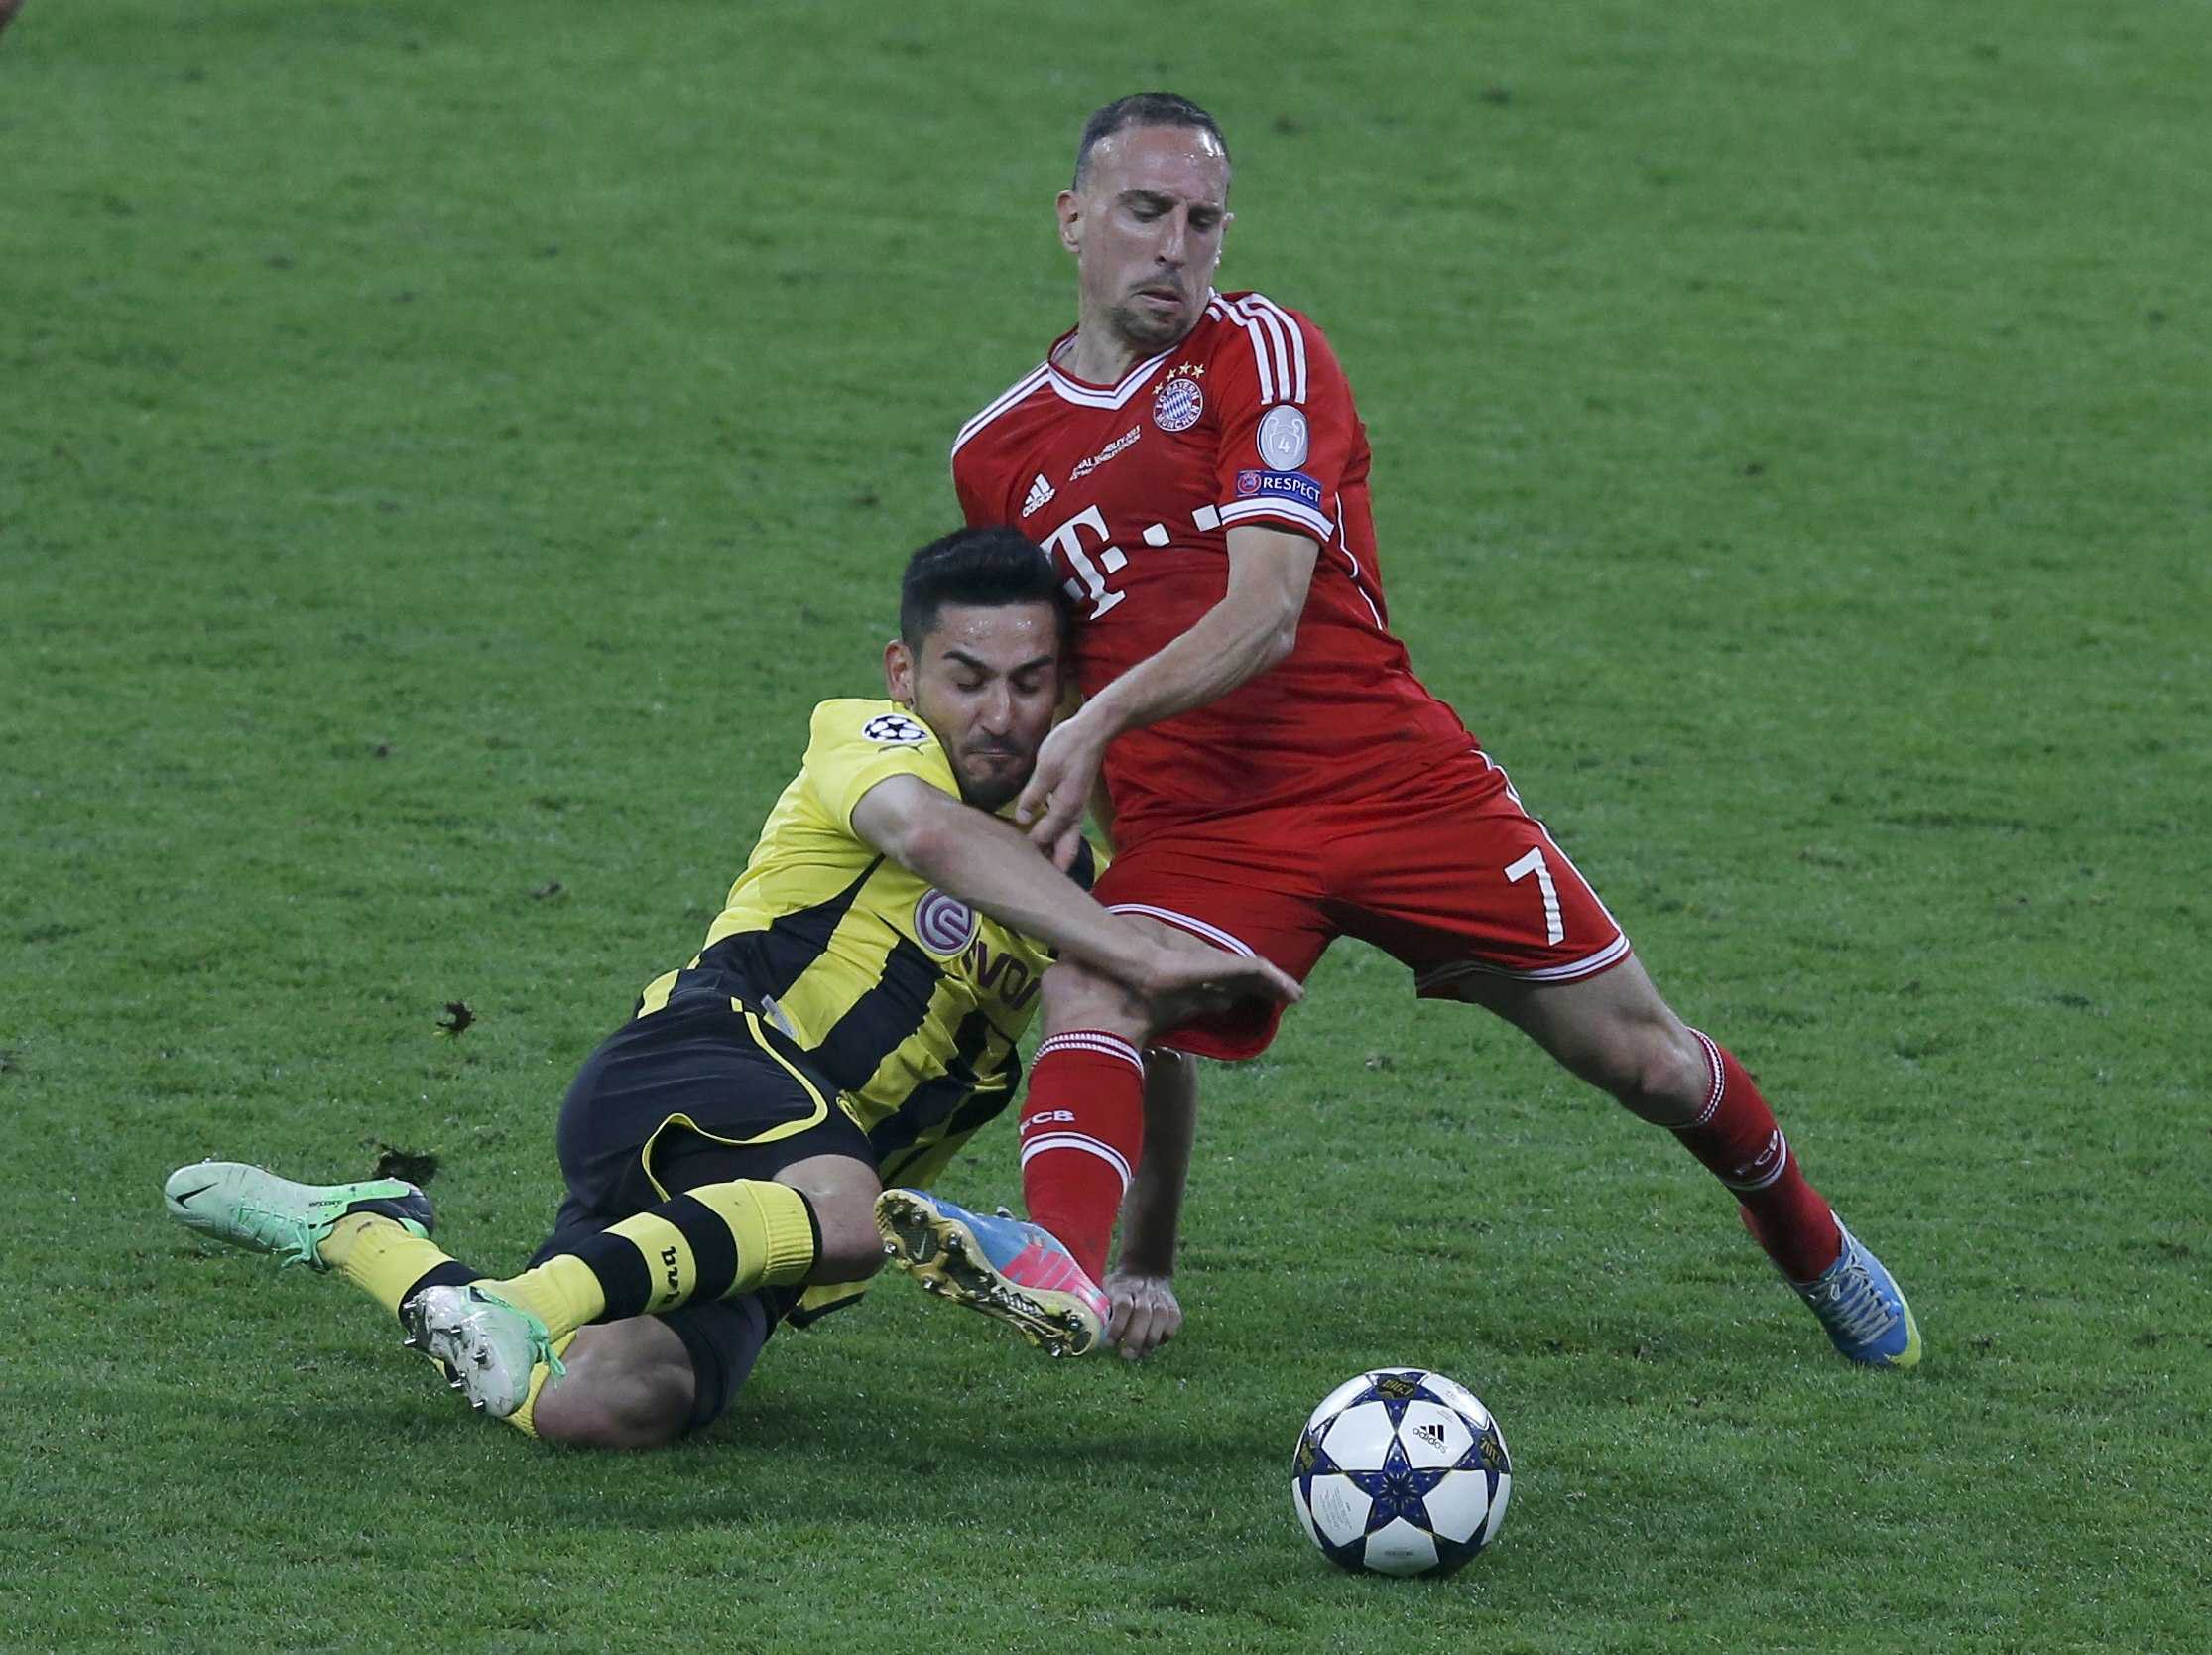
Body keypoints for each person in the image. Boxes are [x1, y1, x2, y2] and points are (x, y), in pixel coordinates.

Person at [877, 94, 1920, 1369]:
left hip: (1391, 782)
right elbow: (1027, 666)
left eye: (1203, 221)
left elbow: (1267, 612)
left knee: (1646, 1062)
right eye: (1145, 212)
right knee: (1096, 976)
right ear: (1072, 218)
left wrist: (1096, 722)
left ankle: (1807, 1238)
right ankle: (1061, 1267)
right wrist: (1034, 800)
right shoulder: (995, 451)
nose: (1175, 247)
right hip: (1201, 830)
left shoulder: (1262, 353)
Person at [165, 527, 1301, 1449]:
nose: (999, 714)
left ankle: (367, 1237)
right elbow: (926, 835)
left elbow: (1134, 1042)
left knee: (610, 1403)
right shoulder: (872, 739)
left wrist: (1141, 1259)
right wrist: (1136, 949)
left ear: (1070, 691)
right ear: (905, 673)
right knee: (857, 1221)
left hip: (768, 1220)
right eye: (967, 679)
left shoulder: (1076, 890)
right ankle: (521, 1302)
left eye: (1029, 684)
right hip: (703, 1063)